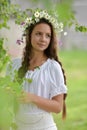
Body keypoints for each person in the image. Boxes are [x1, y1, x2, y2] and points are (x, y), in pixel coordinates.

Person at [8, 9, 67, 130]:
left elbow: (57, 107)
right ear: (29, 35)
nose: (43, 39)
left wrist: (32, 98)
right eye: (38, 34)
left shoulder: (53, 67)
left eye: (48, 36)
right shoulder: (14, 65)